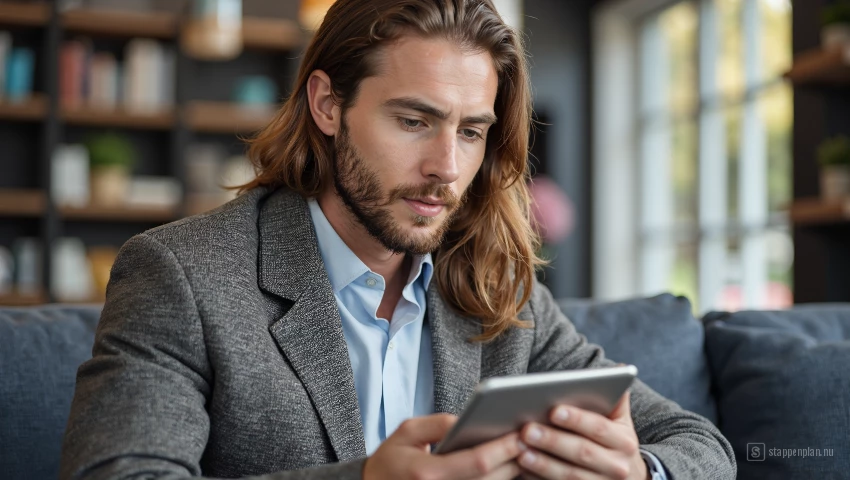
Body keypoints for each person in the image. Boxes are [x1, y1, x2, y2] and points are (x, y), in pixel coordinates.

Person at [60, 1, 736, 479]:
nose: (446, 166)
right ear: (328, 105)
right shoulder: (181, 276)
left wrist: (639, 471)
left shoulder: (499, 291)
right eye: (414, 120)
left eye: (471, 131)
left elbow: (699, 443)